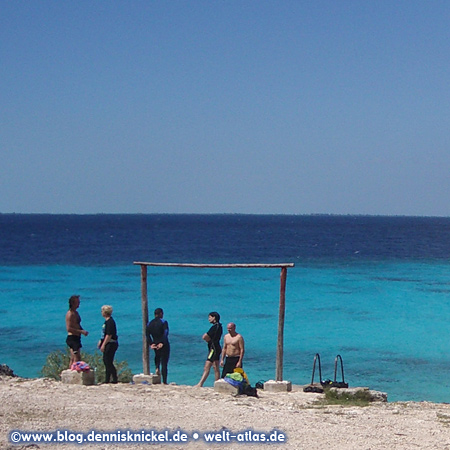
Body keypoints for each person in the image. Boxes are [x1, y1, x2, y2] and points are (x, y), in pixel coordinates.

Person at [195, 312, 222, 387]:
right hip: (216, 347)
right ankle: (217, 383)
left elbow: (205, 336)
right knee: (215, 367)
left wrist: (209, 340)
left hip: (213, 349)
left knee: (207, 366)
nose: (209, 319)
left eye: (210, 317)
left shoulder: (214, 327)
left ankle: (200, 383)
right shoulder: (219, 326)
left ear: (214, 318)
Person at [146, 308, 170, 384]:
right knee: (164, 362)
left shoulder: (150, 323)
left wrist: (151, 343)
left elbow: (147, 334)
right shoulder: (163, 322)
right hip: (163, 344)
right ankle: (165, 381)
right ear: (161, 314)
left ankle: (156, 367)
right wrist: (162, 342)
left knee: (157, 356)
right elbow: (165, 333)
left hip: (155, 344)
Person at [65, 295, 89, 367]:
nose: (79, 304)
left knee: (73, 359)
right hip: (72, 338)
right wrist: (81, 331)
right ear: (73, 303)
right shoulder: (70, 314)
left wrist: (82, 330)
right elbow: (69, 328)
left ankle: (70, 373)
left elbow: (77, 324)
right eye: (77, 302)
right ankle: (74, 374)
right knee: (76, 358)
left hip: (77, 337)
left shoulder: (76, 313)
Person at [98, 305, 119, 384]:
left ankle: (114, 378)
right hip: (108, 342)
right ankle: (107, 379)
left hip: (111, 343)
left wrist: (103, 344)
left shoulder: (110, 322)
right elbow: (104, 334)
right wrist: (100, 341)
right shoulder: (106, 322)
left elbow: (109, 335)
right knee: (106, 361)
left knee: (108, 361)